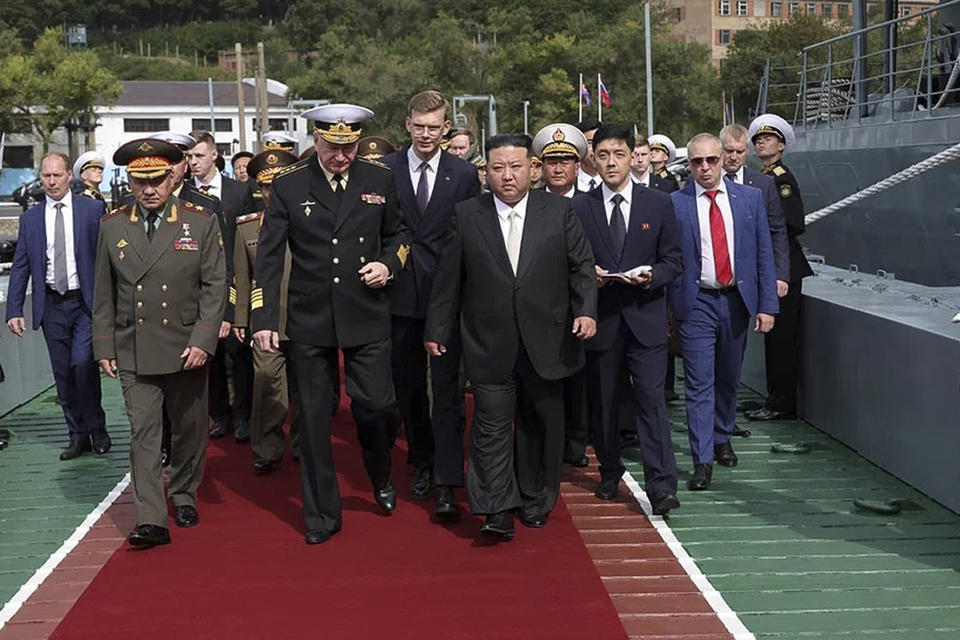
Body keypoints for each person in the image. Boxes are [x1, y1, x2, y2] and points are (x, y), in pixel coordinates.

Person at [425, 133, 597, 541]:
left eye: (516, 166)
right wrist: (437, 329)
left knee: (541, 423)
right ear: (485, 172)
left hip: (548, 340)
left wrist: (586, 311)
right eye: (497, 168)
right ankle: (495, 509)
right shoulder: (467, 215)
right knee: (490, 427)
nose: (507, 176)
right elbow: (449, 279)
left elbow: (582, 268)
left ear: (532, 170)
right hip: (487, 340)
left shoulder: (559, 212)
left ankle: (536, 498)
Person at [252, 103, 409, 545]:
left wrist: (386, 265)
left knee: (376, 406)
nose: (341, 157)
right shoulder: (289, 185)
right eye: (332, 147)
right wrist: (264, 318)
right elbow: (268, 257)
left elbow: (399, 236)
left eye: (349, 147)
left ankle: (380, 475)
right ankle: (322, 514)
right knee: (316, 419)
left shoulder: (379, 179)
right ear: (316, 140)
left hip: (366, 311)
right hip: (311, 316)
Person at [93, 138, 225, 548]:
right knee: (143, 434)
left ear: (172, 177)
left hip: (186, 346)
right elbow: (103, 293)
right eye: (139, 182)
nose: (149, 190)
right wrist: (105, 346)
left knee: (188, 430)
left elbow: (214, 286)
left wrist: (204, 338)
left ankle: (184, 493)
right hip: (135, 347)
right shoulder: (113, 226)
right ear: (130, 182)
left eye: (156, 181)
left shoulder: (199, 222)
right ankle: (151, 518)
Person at [572, 123, 682, 514]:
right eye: (603, 156)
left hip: (645, 317)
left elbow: (674, 260)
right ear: (593, 159)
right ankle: (609, 470)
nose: (612, 163)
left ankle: (662, 485)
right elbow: (569, 263)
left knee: (651, 401)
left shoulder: (658, 203)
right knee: (603, 402)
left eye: (619, 154)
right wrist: (591, 276)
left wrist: (653, 275)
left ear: (632, 156)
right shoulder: (579, 208)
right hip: (602, 319)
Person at [381, 91, 481, 517]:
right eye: (418, 127)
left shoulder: (462, 174)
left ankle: (446, 479)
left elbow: (470, 233)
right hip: (399, 295)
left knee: (447, 392)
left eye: (434, 127)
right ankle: (421, 460)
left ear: (446, 129)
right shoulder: (385, 170)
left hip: (447, 297)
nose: (425, 135)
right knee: (407, 390)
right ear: (407, 126)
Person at [669, 133, 778, 491]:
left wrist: (767, 306)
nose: (704, 168)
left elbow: (764, 253)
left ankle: (721, 436)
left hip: (736, 300)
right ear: (689, 164)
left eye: (711, 160)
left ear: (722, 160)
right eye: (696, 162)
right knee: (699, 381)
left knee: (728, 377)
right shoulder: (675, 203)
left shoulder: (750, 199)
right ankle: (702, 459)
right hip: (696, 301)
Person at [6, 152, 110, 460]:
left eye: (56, 175)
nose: (51, 182)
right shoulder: (31, 219)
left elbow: (106, 257)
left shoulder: (92, 210)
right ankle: (77, 435)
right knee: (63, 373)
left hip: (84, 303)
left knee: (83, 364)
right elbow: (21, 265)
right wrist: (13, 310)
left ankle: (97, 428)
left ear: (69, 176)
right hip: (51, 304)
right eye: (46, 176)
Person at [231, 149, 302, 474]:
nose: (271, 193)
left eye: (278, 185)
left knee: (305, 388)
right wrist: (240, 318)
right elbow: (242, 279)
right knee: (266, 384)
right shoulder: (247, 228)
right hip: (267, 320)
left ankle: (304, 444)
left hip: (304, 317)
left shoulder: (310, 220)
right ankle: (267, 448)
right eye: (265, 187)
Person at [531, 123, 593, 467]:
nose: (558, 168)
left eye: (565, 162)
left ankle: (576, 440)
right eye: (551, 161)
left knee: (578, 376)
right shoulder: (530, 203)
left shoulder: (588, 204)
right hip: (539, 304)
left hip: (579, 302)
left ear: (577, 166)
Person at [187, 130, 255, 442]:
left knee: (239, 355)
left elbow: (247, 244)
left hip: (236, 283)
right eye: (189, 157)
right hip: (199, 289)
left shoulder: (240, 193)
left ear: (215, 155)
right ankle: (220, 415)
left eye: (199, 155)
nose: (193, 162)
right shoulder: (184, 196)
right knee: (208, 356)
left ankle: (244, 416)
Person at [745, 114, 814, 422]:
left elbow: (793, 223)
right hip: (772, 266)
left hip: (784, 267)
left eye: (768, 139)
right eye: (758, 139)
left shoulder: (781, 179)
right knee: (773, 339)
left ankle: (782, 403)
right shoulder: (764, 177)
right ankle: (775, 398)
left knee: (782, 339)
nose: (761, 142)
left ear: (782, 146)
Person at [576, 119, 601, 192]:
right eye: (590, 142)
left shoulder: (614, 182)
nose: (595, 149)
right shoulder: (567, 183)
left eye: (599, 142)